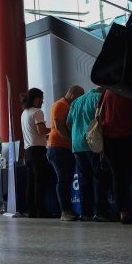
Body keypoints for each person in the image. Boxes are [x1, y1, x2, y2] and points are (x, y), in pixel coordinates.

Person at [99, 90, 132, 225]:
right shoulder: (131, 94)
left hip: (108, 140)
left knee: (117, 176)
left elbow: (98, 116)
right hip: (126, 138)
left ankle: (123, 214)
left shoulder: (106, 92)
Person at [67, 87, 109, 222]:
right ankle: (100, 212)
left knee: (84, 180)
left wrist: (75, 134)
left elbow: (68, 123)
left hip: (77, 145)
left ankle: (86, 213)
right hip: (93, 144)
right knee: (99, 177)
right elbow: (104, 121)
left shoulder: (76, 102)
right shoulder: (99, 98)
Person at [47, 85, 84, 221]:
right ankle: (65, 211)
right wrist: (72, 140)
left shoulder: (67, 105)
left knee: (66, 180)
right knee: (63, 180)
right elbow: (59, 127)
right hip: (58, 148)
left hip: (64, 148)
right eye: (79, 96)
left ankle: (67, 210)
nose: (79, 100)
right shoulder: (60, 105)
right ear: (73, 94)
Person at [20, 88, 51, 219]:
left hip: (27, 151)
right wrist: (54, 128)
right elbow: (41, 131)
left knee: (31, 182)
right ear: (35, 98)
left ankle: (31, 211)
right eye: (41, 98)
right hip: (38, 151)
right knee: (40, 182)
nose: (42, 101)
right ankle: (41, 211)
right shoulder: (38, 112)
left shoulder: (24, 113)